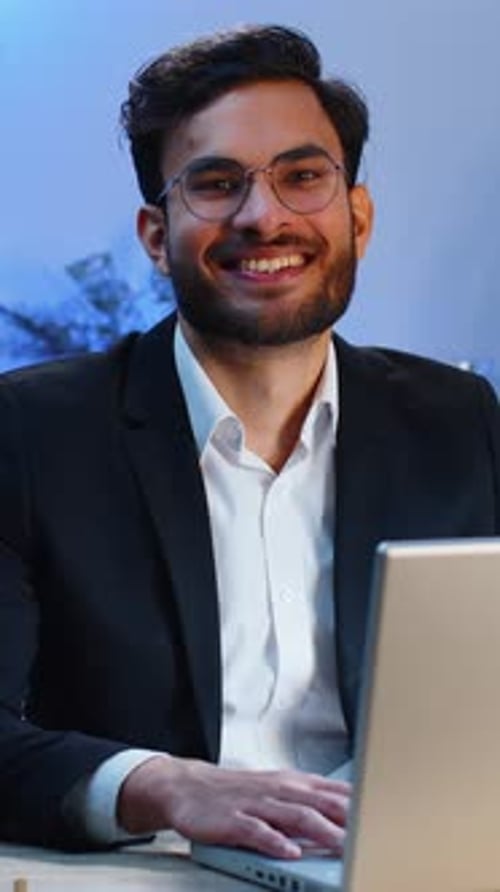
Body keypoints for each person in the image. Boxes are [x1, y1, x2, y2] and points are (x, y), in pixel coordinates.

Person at [0, 24, 498, 857]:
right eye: (217, 183)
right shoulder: (32, 431)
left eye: (303, 177)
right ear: (156, 236)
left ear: (358, 216)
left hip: (401, 863)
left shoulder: (461, 421)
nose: (264, 217)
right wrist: (160, 784)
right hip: (150, 869)